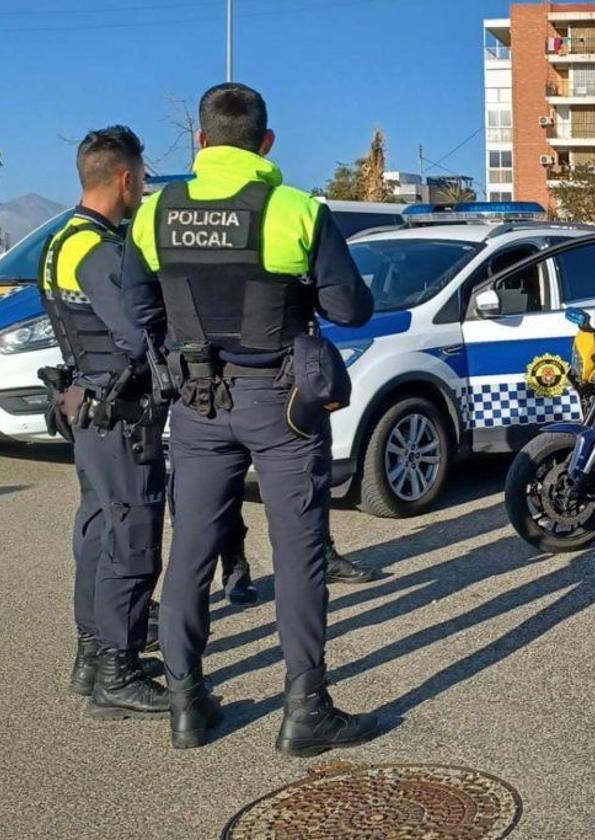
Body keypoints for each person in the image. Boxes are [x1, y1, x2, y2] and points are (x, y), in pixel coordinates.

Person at [123, 82, 379, 752]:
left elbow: (137, 313)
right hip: (283, 403)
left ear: (201, 142)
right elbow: (352, 310)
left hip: (198, 402)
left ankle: (187, 705)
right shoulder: (296, 210)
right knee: (298, 555)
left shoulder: (154, 213)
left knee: (191, 552)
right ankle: (305, 712)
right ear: (266, 143)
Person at [38, 126, 168, 718]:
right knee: (131, 537)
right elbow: (135, 333)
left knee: (96, 529)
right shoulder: (101, 249)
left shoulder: (60, 238)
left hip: (88, 406)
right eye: (141, 179)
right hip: (118, 413)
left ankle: (91, 654)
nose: (142, 188)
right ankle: (119, 669)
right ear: (124, 178)